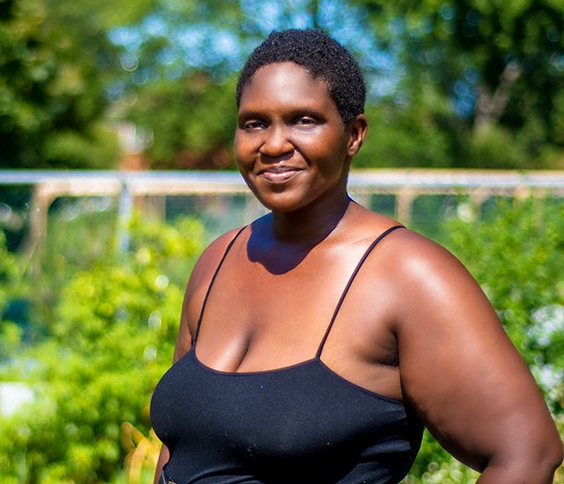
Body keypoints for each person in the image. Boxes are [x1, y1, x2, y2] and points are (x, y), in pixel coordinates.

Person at [149, 28, 563, 483]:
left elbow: (528, 452)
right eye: (254, 123)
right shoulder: (218, 259)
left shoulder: (406, 275)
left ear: (354, 135)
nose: (272, 144)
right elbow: (179, 448)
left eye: (303, 120)